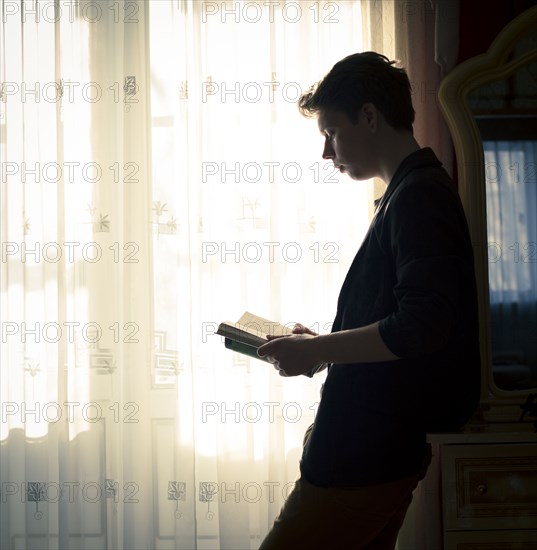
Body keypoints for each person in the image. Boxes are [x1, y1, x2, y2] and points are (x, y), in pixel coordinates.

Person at [257, 52, 481, 549]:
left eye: (331, 132)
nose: (327, 153)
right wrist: (320, 345)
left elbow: (420, 325)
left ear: (370, 117)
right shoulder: (410, 191)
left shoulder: (419, 196)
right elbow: (402, 319)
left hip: (366, 453)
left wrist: (318, 351)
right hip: (375, 448)